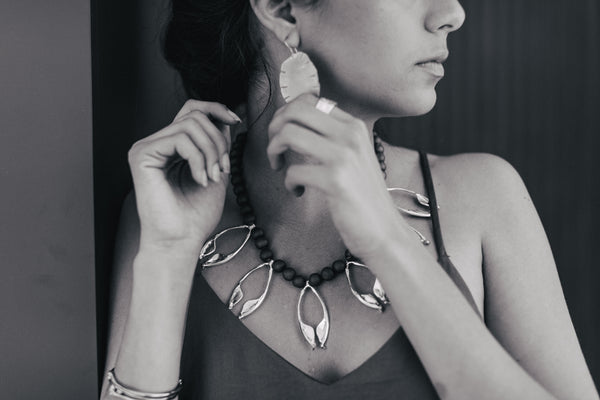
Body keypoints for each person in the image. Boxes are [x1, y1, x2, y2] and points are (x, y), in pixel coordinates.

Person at [100, 0, 599, 399]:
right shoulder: (167, 209)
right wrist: (167, 255)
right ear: (283, 10)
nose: (452, 12)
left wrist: (384, 235)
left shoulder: (484, 197)